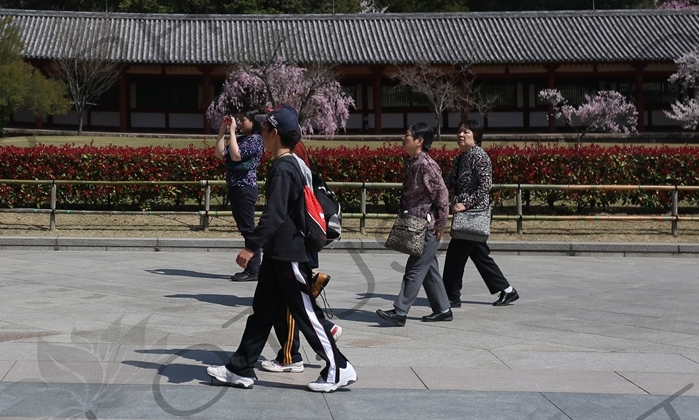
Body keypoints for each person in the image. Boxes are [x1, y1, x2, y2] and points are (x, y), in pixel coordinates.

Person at [206, 105, 356, 393]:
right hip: (279, 254)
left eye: (264, 128)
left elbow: (274, 215)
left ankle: (339, 367)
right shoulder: (290, 164)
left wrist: (251, 247)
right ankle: (240, 368)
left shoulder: (284, 168)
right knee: (262, 312)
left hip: (288, 254)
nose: (261, 131)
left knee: (306, 315)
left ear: (274, 133)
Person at [374, 123, 453, 326]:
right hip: (415, 225)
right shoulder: (412, 162)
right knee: (429, 270)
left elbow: (443, 196)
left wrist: (441, 224)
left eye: (408, 135)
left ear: (420, 141)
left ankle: (400, 311)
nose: (404, 137)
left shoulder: (427, 165)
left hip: (427, 227)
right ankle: (443, 309)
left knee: (414, 269)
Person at [443, 122, 520, 308]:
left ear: (476, 136)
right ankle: (507, 290)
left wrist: (465, 204)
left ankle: (451, 297)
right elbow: (449, 181)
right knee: (479, 255)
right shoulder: (461, 158)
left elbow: (485, 186)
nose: (461, 134)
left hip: (474, 213)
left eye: (466, 132)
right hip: (465, 215)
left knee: (455, 255)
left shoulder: (480, 156)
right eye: (459, 131)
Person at [216, 111, 264, 283]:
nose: (240, 123)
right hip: (235, 187)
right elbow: (221, 154)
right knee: (245, 228)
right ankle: (254, 269)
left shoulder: (256, 139)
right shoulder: (242, 139)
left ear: (253, 122)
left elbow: (236, 156)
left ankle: (254, 270)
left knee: (248, 229)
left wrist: (233, 133)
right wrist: (223, 132)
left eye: (243, 120)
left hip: (245, 188)